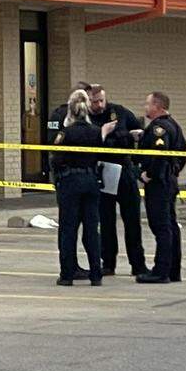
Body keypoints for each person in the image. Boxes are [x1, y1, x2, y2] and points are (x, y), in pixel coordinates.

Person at [87, 85, 148, 278]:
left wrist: (138, 168)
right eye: (95, 101)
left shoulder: (119, 112)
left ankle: (138, 264)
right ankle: (108, 263)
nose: (99, 105)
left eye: (101, 100)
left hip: (125, 170)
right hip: (103, 171)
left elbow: (140, 134)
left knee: (132, 220)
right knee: (106, 220)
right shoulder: (87, 119)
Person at [52, 89, 104, 287]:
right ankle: (96, 274)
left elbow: (56, 158)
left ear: (70, 111)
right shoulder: (95, 132)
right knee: (92, 230)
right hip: (91, 182)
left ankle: (67, 275)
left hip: (70, 182)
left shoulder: (66, 133)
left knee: (68, 230)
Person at [135, 91, 186, 284]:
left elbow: (159, 154)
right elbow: (185, 151)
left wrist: (149, 174)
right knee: (170, 225)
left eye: (148, 104)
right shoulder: (174, 125)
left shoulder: (159, 129)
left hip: (159, 184)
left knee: (161, 226)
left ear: (158, 106)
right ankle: (173, 270)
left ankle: (161, 270)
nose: (145, 107)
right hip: (168, 181)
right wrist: (175, 171)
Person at [47, 81, 93, 279]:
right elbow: (53, 144)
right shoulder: (60, 115)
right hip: (66, 175)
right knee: (69, 226)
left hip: (72, 176)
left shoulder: (76, 119)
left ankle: (72, 266)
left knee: (75, 225)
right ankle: (69, 266)